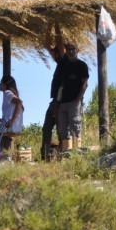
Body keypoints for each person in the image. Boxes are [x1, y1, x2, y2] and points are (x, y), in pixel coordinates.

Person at [57, 42, 89, 151]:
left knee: (75, 125)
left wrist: (77, 100)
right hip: (63, 102)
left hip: (74, 101)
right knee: (63, 128)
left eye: (73, 49)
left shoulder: (82, 65)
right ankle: (67, 153)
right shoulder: (65, 66)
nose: (71, 51)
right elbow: (62, 85)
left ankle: (78, 151)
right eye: (68, 49)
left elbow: (84, 84)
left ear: (77, 50)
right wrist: (58, 101)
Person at [42, 23, 66, 160]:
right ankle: (45, 155)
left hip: (61, 101)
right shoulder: (59, 62)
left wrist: (57, 24)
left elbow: (59, 42)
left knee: (60, 130)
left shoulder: (65, 61)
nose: (54, 55)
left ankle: (61, 155)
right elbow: (47, 45)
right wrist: (48, 25)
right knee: (46, 129)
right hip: (54, 101)